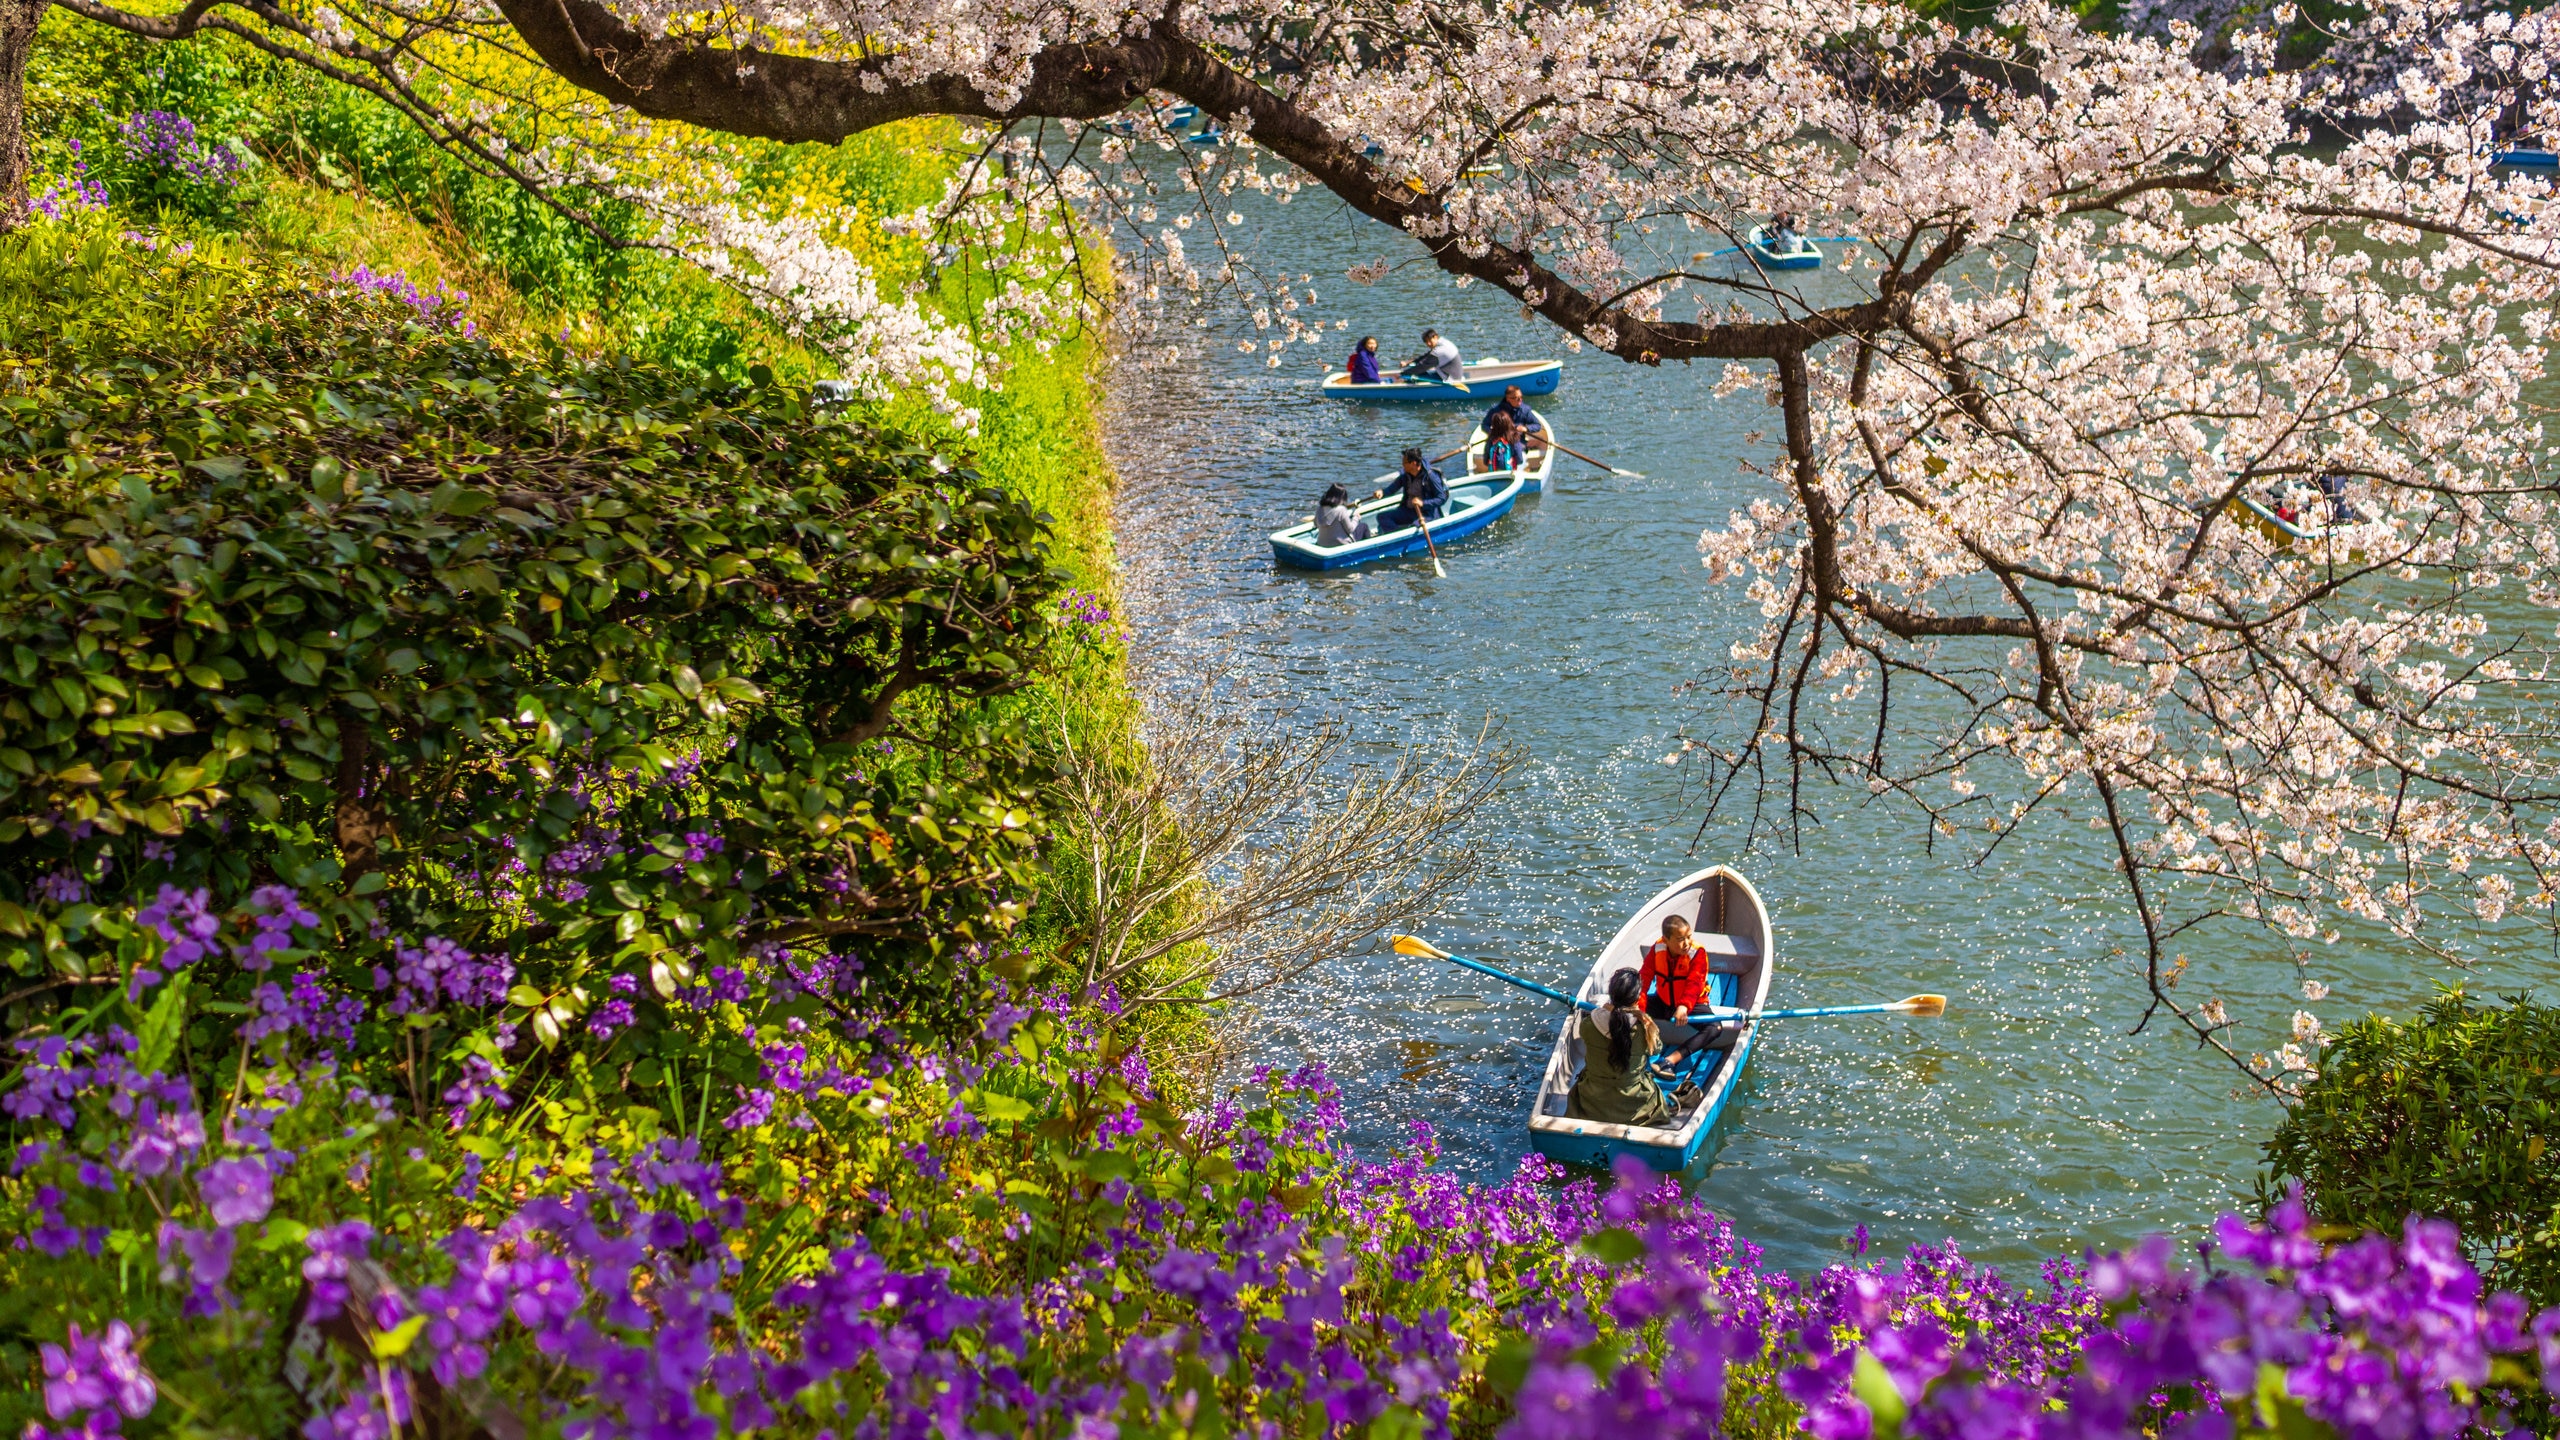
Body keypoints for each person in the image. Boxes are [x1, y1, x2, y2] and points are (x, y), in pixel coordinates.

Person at [1568, 968, 1674, 1127]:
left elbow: (1609, 1026)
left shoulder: (1588, 1025)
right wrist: (1646, 1021)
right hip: (1634, 1104)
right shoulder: (1644, 1029)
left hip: (1592, 1101)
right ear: (1637, 998)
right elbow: (1656, 1048)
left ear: (1611, 995)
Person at [1638, 914, 1739, 1070]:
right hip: (1663, 1002)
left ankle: (1670, 1060)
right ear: (1666, 940)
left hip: (1692, 1005)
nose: (1686, 943)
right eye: (1680, 939)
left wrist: (1684, 1006)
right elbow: (1643, 980)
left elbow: (1695, 984)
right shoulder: (1657, 949)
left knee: (1714, 1028)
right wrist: (1640, 1010)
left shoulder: (1697, 953)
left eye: (1689, 937)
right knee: (1629, 1011)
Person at [1369, 448, 1448, 531]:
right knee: (1382, 517)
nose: (1402, 465)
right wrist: (1382, 492)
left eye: (1404, 463)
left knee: (1413, 528)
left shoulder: (1431, 477)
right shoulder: (1405, 475)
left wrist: (1423, 503)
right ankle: (1396, 536)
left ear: (1413, 463)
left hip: (1426, 514)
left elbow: (1441, 498)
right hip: (1408, 510)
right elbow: (1392, 489)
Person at [1481, 385, 1548, 455]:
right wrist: (1493, 433)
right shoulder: (1496, 410)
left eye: (1521, 397)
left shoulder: (1525, 410)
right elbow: (1485, 425)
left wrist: (1526, 428)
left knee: (1540, 439)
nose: (1520, 400)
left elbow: (1537, 425)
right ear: (1508, 399)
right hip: (1499, 441)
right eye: (1517, 398)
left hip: (1518, 442)